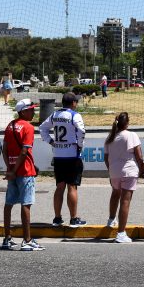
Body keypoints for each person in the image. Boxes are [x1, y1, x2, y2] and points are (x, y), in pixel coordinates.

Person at [1, 99, 44, 251]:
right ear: (23, 111)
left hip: (13, 170)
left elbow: (4, 149)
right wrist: (15, 170)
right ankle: (27, 240)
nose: (33, 112)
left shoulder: (10, 126)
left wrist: (10, 168)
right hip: (25, 171)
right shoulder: (28, 127)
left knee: (9, 204)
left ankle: (7, 238)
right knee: (26, 204)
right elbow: (24, 151)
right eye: (31, 110)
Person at [40, 92, 87, 228]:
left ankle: (57, 218)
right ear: (73, 103)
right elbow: (82, 131)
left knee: (60, 186)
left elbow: (42, 128)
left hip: (58, 155)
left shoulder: (55, 115)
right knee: (72, 186)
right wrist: (79, 144)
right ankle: (73, 218)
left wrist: (51, 142)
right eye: (76, 102)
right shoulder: (74, 115)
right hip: (72, 155)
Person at [104, 111, 144, 243]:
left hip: (114, 171)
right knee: (125, 201)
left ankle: (111, 220)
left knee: (115, 194)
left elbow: (106, 158)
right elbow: (139, 156)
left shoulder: (110, 138)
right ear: (127, 123)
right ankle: (121, 233)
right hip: (129, 171)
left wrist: (111, 169)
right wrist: (142, 170)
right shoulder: (132, 135)